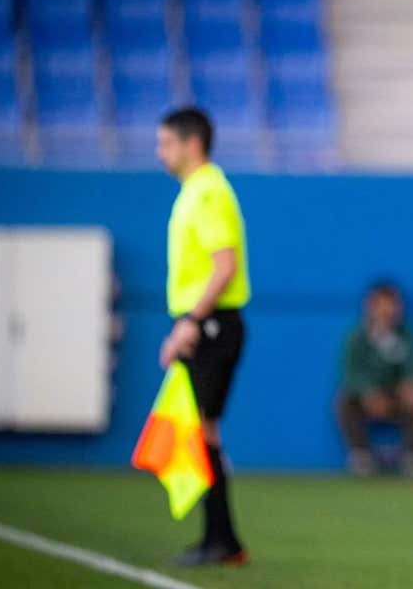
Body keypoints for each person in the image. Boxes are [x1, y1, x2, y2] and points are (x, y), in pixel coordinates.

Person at [155, 106, 249, 566]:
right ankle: (220, 538)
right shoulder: (197, 190)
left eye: (166, 143)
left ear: (192, 143)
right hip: (205, 324)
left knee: (203, 429)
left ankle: (223, 540)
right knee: (201, 431)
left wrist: (190, 323)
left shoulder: (208, 191)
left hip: (211, 325)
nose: (160, 153)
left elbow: (224, 266)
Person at [336, 281, 413, 477]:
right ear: (370, 306)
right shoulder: (357, 337)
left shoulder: (407, 335)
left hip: (396, 396)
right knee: (344, 400)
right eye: (382, 304)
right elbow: (350, 373)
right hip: (367, 397)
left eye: (392, 304)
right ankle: (361, 455)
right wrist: (369, 392)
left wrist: (411, 384)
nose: (388, 310)